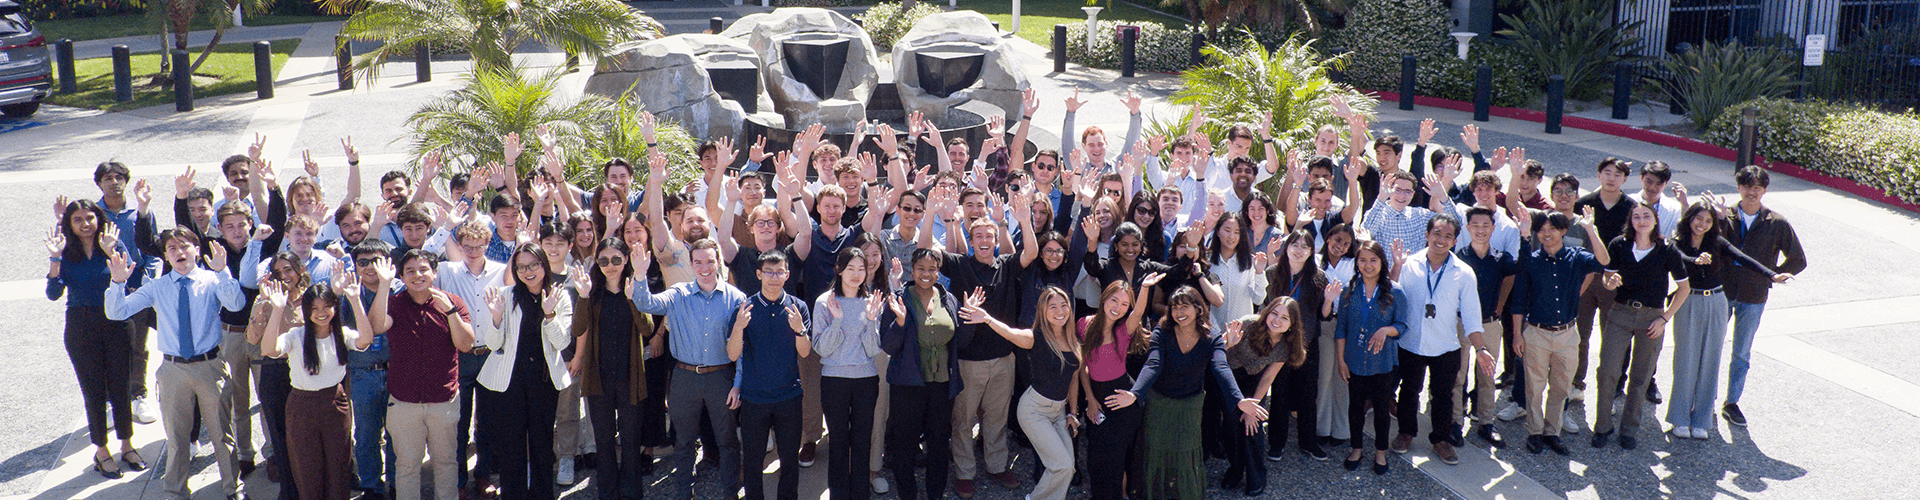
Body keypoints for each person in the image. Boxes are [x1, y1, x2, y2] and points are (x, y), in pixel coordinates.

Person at [106, 228, 247, 499]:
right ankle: (176, 491)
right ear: (167, 257)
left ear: (196, 249)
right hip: (173, 370)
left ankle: (233, 488)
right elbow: (116, 311)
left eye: (185, 246)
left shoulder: (211, 279)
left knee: (221, 436)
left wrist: (223, 271)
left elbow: (236, 303)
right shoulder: (157, 287)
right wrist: (117, 283)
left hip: (210, 366)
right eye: (172, 249)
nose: (179, 253)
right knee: (177, 438)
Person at [1101, 286, 1268, 500]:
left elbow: (1221, 367)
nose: (1179, 313)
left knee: (1184, 451)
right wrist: (1135, 394)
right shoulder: (1162, 331)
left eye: (1185, 307)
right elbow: (1153, 364)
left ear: (1198, 309)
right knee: (1156, 449)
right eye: (1174, 308)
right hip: (1159, 402)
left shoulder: (1211, 336)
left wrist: (1238, 400)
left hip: (1190, 405)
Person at [629, 237, 747, 500]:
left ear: (718, 262)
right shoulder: (678, 294)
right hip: (684, 378)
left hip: (721, 378)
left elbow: (743, 348)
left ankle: (731, 493)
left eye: (709, 261)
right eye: (698, 262)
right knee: (683, 442)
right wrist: (639, 274)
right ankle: (684, 493)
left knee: (727, 441)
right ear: (691, 265)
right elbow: (645, 304)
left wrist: (738, 384)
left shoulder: (736, 298)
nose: (704, 267)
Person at [47, 201, 147, 479]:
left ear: (98, 218)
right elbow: (53, 293)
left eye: (89, 217)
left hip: (116, 321)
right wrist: (55, 260)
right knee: (93, 390)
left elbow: (130, 276)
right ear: (70, 223)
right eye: (77, 219)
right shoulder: (65, 250)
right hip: (81, 325)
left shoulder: (112, 242)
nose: (85, 223)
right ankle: (102, 451)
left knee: (120, 386)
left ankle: (127, 444)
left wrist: (111, 251)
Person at [1668, 201, 1782, 440]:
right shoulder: (1676, 242)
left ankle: (1701, 419)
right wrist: (1695, 260)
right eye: (1699, 219)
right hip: (1687, 301)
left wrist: (1771, 274)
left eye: (1709, 221)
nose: (1703, 224)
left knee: (1710, 358)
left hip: (1717, 301)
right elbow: (1679, 256)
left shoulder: (1717, 242)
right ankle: (1679, 418)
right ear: (1690, 218)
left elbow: (1743, 257)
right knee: (1684, 358)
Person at [258, 277, 379, 500]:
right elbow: (268, 349)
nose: (321, 313)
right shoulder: (296, 336)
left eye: (326, 306)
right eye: (314, 308)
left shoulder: (342, 333)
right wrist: (277, 309)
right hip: (302, 405)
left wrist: (354, 299)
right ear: (306, 311)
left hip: (335, 402)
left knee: (339, 463)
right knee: (307, 467)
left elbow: (366, 340)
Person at [958, 287, 1083, 500]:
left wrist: (1072, 412)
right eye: (1053, 306)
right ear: (1043, 311)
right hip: (1034, 411)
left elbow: (1073, 378)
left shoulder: (1072, 340)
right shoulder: (1035, 337)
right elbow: (1009, 332)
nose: (1059, 311)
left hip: (1059, 412)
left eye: (1064, 306)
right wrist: (987, 318)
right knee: (1060, 466)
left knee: (1067, 468)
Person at [1389, 216, 1494, 465]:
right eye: (1437, 233)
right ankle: (1406, 432)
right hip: (1411, 342)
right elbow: (1393, 295)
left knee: (1443, 395)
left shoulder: (1464, 273)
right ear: (1427, 235)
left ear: (1455, 240)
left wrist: (1480, 348)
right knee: (1408, 391)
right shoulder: (1408, 264)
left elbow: (1471, 314)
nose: (1441, 240)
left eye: (1448, 236)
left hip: (1446, 345)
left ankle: (1440, 439)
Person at [475, 243, 574, 500]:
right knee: (511, 444)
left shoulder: (559, 296)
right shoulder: (506, 295)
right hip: (510, 379)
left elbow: (562, 343)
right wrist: (496, 318)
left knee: (542, 442)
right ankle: (513, 495)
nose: (528, 271)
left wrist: (550, 313)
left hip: (543, 379)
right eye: (521, 267)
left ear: (544, 265)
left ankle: (542, 494)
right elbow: (494, 344)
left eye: (533, 265)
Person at [376, 249, 477, 500]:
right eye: (410, 270)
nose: (417, 275)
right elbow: (377, 326)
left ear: (435, 272)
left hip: (443, 400)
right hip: (404, 401)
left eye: (423, 269)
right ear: (402, 275)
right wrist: (384, 285)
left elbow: (465, 344)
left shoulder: (452, 301)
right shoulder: (394, 303)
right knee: (407, 466)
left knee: (446, 463)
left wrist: (451, 311)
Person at [1591, 202, 1689, 450]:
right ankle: (1602, 426)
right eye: (1636, 216)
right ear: (1630, 221)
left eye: (1647, 216)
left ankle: (1629, 430)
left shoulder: (1667, 250)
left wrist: (1665, 318)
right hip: (1621, 313)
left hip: (1652, 318)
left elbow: (1684, 288)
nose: (1641, 220)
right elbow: (1608, 280)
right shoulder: (1619, 245)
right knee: (1608, 371)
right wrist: (1610, 282)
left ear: (1655, 220)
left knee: (1641, 375)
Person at [1511, 211, 1609, 456]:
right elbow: (1519, 300)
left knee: (1561, 386)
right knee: (1534, 385)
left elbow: (1603, 261)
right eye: (1541, 229)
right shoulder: (1531, 260)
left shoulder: (1577, 257)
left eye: (1552, 228)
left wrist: (1591, 230)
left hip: (1567, 333)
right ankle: (1534, 432)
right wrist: (1516, 334)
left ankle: (1552, 432)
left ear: (1563, 231)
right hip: (1536, 332)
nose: (1546, 233)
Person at [879, 249, 972, 500]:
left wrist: (970, 318)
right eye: (921, 268)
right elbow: (888, 345)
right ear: (912, 270)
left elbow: (961, 341)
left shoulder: (949, 299)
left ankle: (935, 492)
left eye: (932, 269)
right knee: (905, 442)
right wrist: (899, 324)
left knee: (940, 441)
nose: (926, 274)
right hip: (908, 383)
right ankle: (907, 492)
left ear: (939, 272)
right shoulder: (899, 298)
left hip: (942, 384)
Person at [1720, 166, 1806, 428]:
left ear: (1764, 190)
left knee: (1741, 353)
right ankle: (1703, 399)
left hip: (1753, 295)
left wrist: (1771, 275)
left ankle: (1731, 402)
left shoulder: (1776, 222)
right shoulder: (1725, 216)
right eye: (1746, 186)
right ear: (1738, 188)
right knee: (1710, 347)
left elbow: (1798, 259)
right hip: (1722, 291)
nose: (1751, 192)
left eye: (1757, 187)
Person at [571, 237, 655, 500]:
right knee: (604, 440)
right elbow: (577, 330)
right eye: (604, 260)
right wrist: (583, 297)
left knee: (630, 441)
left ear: (626, 260)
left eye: (616, 259)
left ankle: (631, 493)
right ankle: (607, 493)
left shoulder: (635, 287)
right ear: (597, 263)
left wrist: (633, 299)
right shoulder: (591, 292)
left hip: (630, 378)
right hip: (599, 379)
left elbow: (648, 329)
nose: (611, 266)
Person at [727, 252, 813, 500]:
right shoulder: (745, 308)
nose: (774, 278)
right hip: (754, 399)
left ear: (787, 274)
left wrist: (799, 329)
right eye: (768, 272)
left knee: (789, 461)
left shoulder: (798, 307)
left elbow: (805, 353)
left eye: (779, 272)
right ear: (758, 274)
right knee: (753, 463)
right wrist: (738, 327)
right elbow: (733, 355)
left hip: (789, 396)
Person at [812, 248, 887, 500]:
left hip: (866, 380)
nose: (856, 274)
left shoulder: (871, 302)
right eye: (851, 268)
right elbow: (821, 348)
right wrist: (836, 321)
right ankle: (839, 494)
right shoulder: (825, 301)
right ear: (839, 269)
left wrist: (869, 320)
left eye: (861, 269)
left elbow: (873, 348)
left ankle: (860, 493)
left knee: (862, 439)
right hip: (834, 380)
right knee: (838, 441)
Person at [1333, 240, 1408, 474]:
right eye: (1362, 260)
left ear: (1382, 262)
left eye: (1373, 260)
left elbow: (1403, 326)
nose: (1368, 265)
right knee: (1355, 407)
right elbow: (1341, 329)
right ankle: (1356, 448)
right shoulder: (1349, 291)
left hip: (1383, 362)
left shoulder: (1395, 291)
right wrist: (1341, 361)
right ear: (1357, 263)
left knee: (1381, 409)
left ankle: (1380, 452)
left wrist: (1386, 330)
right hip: (1354, 360)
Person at [1219, 297, 1307, 496]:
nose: (1277, 320)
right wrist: (1228, 344)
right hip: (1230, 376)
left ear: (1292, 323)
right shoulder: (1249, 324)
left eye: (1284, 318)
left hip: (1254, 380)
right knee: (1232, 426)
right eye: (1274, 313)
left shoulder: (1286, 344)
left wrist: (1254, 408)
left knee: (1253, 425)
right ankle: (1235, 469)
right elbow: (1217, 353)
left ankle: (1256, 476)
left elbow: (1268, 377)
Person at [1076, 280, 1154, 500]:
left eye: (1124, 304)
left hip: (1122, 399)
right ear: (1104, 298)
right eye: (1114, 300)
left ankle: (1120, 495)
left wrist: (1145, 287)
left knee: (1116, 457)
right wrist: (1090, 399)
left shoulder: (1123, 330)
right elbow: (1082, 366)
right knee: (1095, 455)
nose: (1117, 307)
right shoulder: (1084, 324)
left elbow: (1139, 312)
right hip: (1097, 397)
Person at [1263, 230, 1333, 461]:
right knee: (1279, 393)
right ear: (1286, 247)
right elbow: (1264, 307)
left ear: (1312, 251)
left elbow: (1323, 315)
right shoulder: (1273, 273)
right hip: (1279, 342)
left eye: (1305, 246)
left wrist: (1330, 300)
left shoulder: (1319, 277)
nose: (1299, 249)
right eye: (1294, 244)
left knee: (1308, 394)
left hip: (1307, 343)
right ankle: (1276, 443)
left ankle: (1308, 442)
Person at [1571, 158, 1636, 401]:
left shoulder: (1632, 207)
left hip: (1615, 280)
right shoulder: (1584, 204)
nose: (1611, 178)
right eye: (1606, 172)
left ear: (1625, 179)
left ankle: (1613, 385)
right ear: (1598, 175)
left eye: (1617, 174)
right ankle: (1576, 382)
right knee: (1580, 333)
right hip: (1585, 277)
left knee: (1613, 336)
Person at [339, 239, 399, 499]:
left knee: (397, 434)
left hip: (397, 371)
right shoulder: (349, 294)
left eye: (376, 261)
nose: (369, 267)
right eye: (362, 262)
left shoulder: (400, 290)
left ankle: (397, 483)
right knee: (366, 435)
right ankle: (372, 485)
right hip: (364, 372)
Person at [1455, 206, 1517, 448]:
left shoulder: (1501, 259)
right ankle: (1454, 422)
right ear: (1467, 228)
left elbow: (1516, 272)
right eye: (1475, 225)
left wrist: (1500, 305)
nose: (1480, 230)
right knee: (1458, 374)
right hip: (1460, 323)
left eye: (1485, 226)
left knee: (1487, 375)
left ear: (1493, 228)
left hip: (1489, 323)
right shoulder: (1458, 257)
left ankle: (1486, 423)